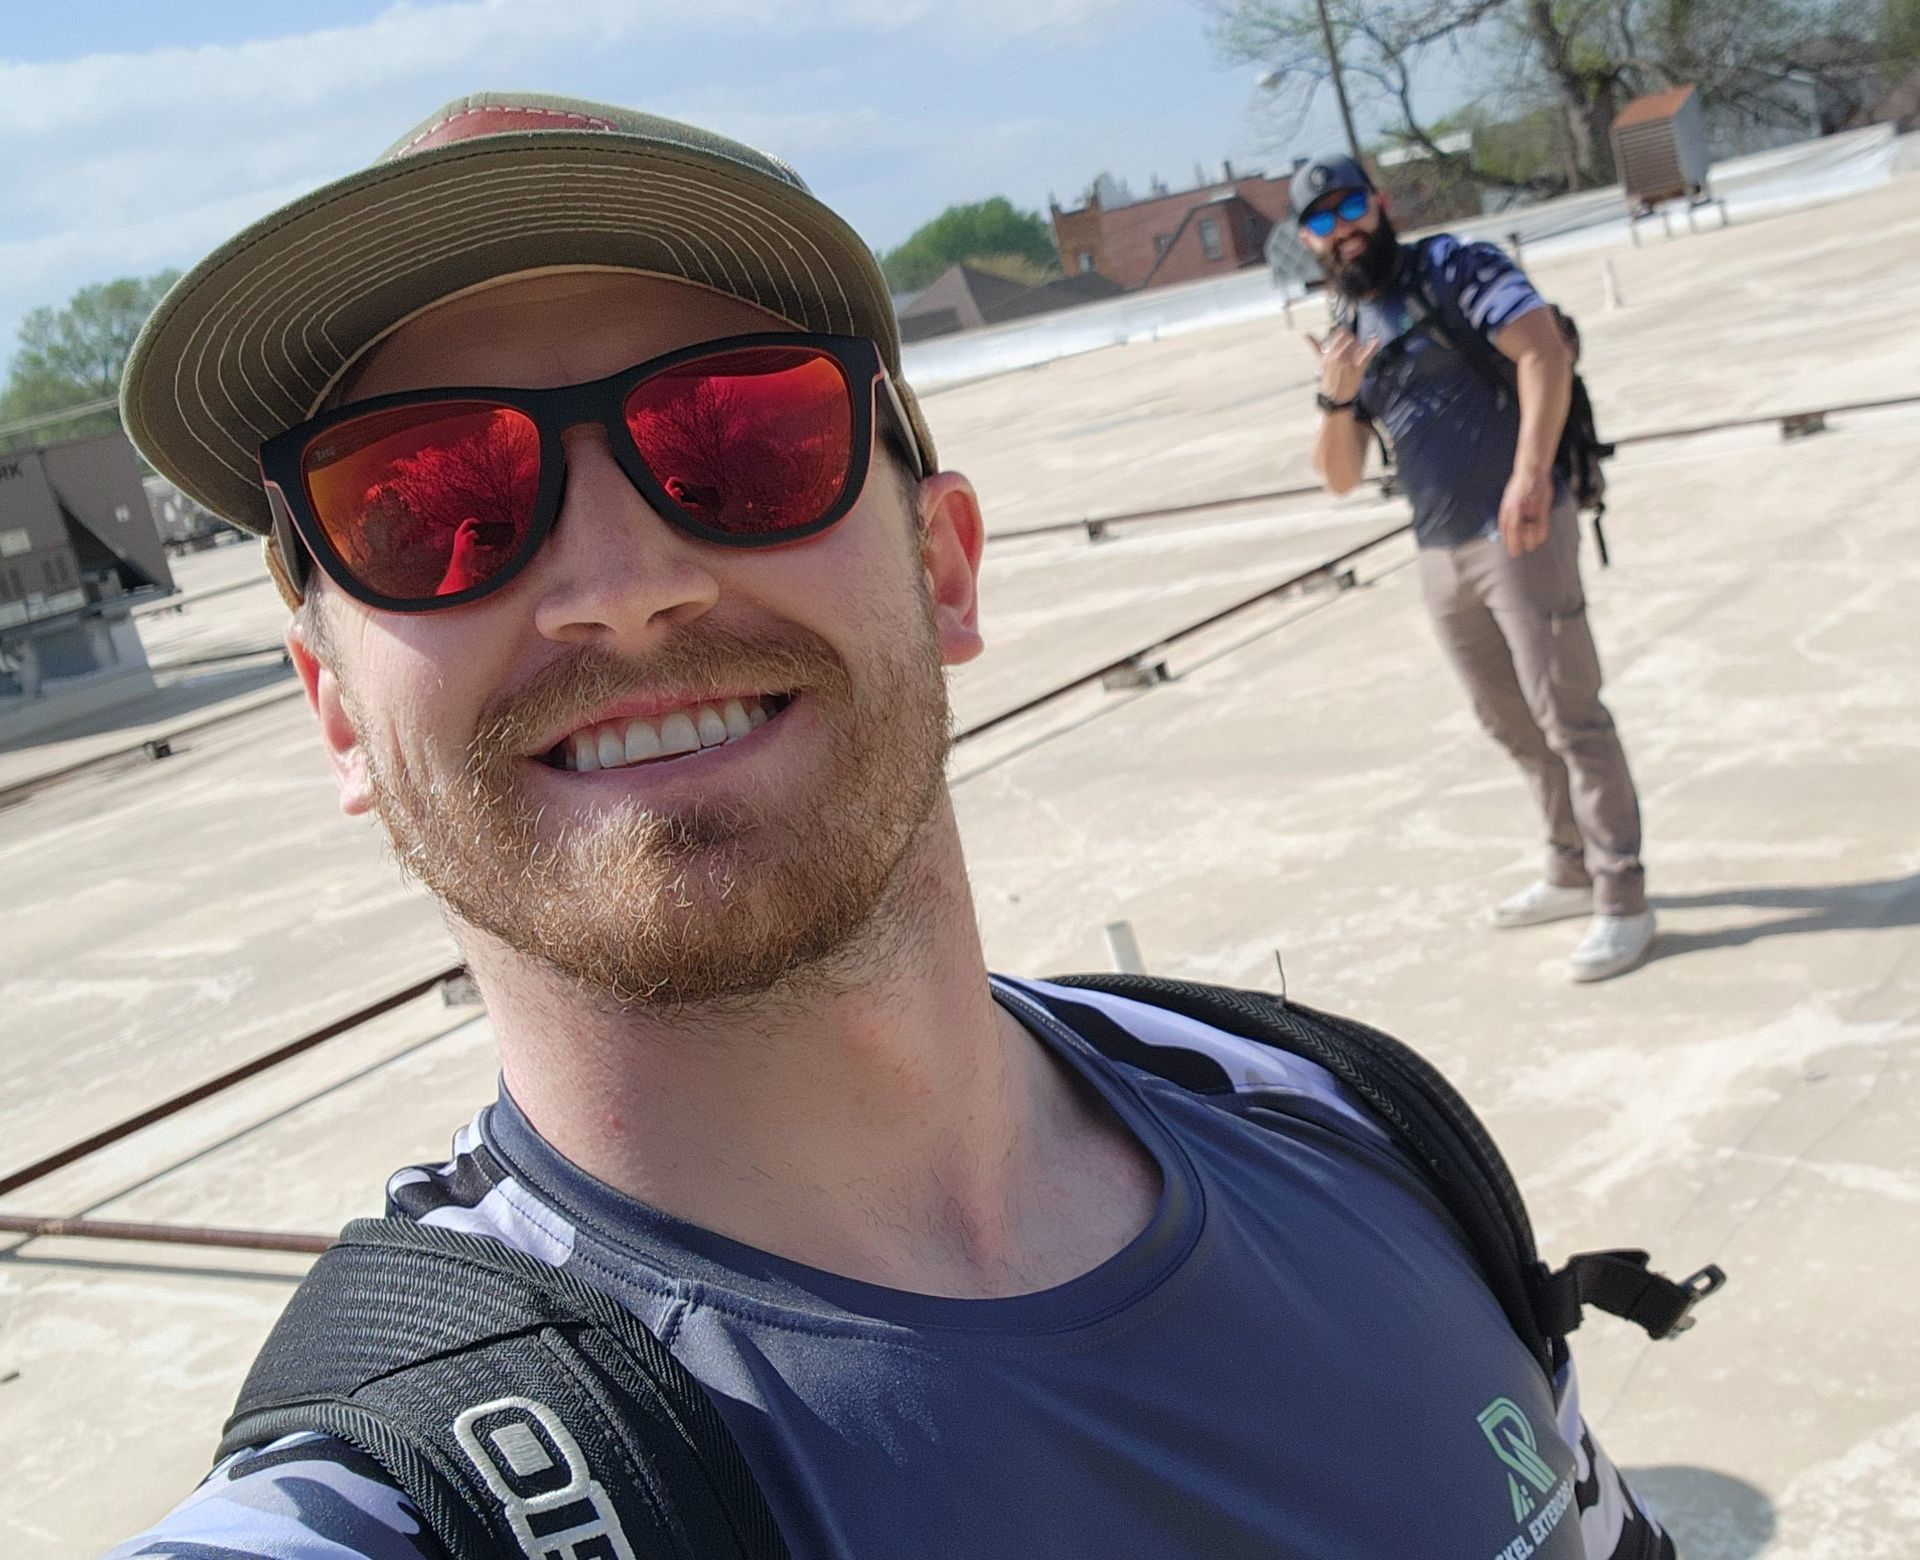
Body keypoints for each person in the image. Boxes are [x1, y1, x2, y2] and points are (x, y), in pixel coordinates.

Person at [107, 95, 1678, 1557]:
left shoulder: (1346, 1122)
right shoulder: (405, 1497)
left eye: (738, 437)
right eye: (424, 503)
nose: (620, 588)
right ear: (333, 712)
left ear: (945, 568)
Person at [1295, 154, 1655, 983]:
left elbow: (1543, 354)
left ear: (1380, 206)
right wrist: (1335, 395)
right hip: (1437, 547)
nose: (1342, 228)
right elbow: (1340, 476)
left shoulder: (1457, 266)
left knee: (1571, 718)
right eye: (1321, 218)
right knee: (1508, 721)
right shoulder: (1349, 319)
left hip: (1521, 531)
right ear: (1308, 240)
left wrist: (1531, 476)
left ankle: (1623, 899)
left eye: (1351, 206)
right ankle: (1569, 868)